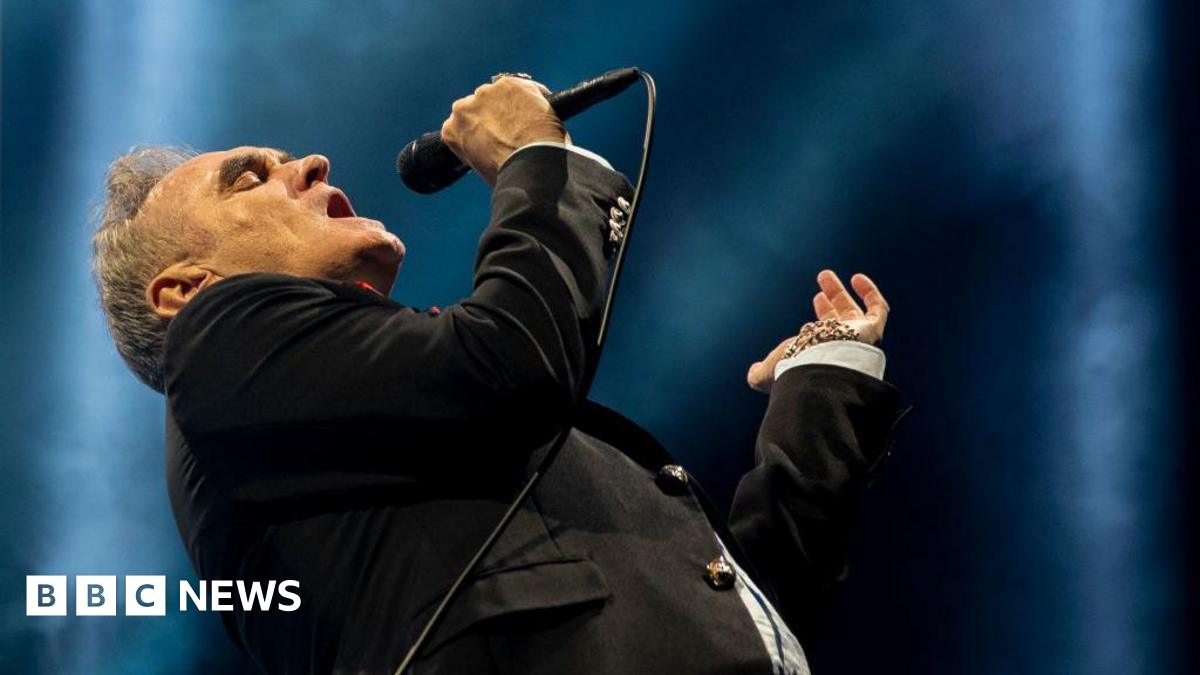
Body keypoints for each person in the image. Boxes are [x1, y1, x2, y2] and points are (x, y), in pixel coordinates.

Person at [92, 75, 907, 674]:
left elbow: (750, 615)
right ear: (185, 290)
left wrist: (822, 384)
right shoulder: (217, 343)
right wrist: (536, 162)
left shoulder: (410, 410)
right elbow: (508, 366)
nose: (308, 162)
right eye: (250, 177)